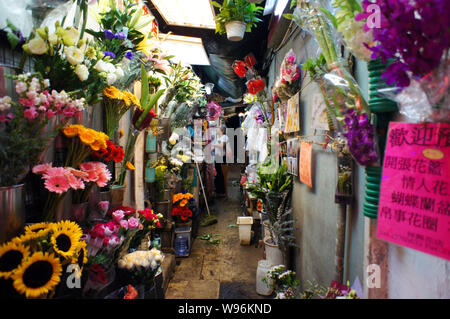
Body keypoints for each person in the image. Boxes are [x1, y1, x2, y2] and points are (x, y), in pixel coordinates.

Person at [213, 125, 230, 197]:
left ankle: (222, 191)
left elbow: (222, 145)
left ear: (222, 131)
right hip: (217, 157)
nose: (217, 131)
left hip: (222, 158)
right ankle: (218, 190)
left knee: (221, 174)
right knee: (217, 174)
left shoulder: (225, 137)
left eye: (218, 129)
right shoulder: (219, 137)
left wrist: (214, 145)